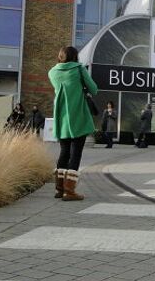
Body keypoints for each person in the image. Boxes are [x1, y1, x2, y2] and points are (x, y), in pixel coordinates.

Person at [49, 46, 98, 201]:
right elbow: (94, 89)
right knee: (75, 153)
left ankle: (60, 188)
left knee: (64, 152)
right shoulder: (79, 69)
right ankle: (69, 192)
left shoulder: (52, 72)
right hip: (78, 116)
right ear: (75, 57)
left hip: (61, 118)